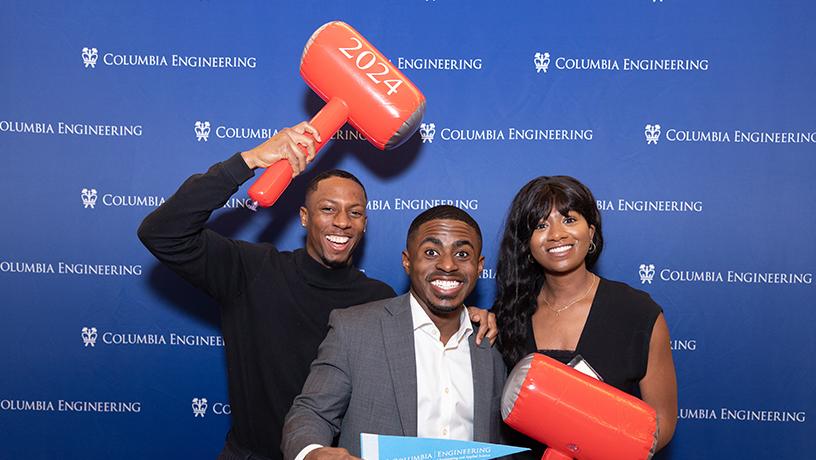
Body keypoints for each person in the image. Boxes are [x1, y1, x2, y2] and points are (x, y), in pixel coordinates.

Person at [137, 123, 496, 460]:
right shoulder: (251, 269)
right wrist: (249, 160)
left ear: (364, 224)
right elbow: (162, 232)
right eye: (328, 209)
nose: (342, 222)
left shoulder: (379, 298)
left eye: (354, 213)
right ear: (305, 217)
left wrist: (463, 316)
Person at [282, 205, 507, 460]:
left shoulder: (495, 340)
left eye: (462, 254)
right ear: (407, 261)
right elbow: (311, 413)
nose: (447, 265)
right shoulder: (354, 329)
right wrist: (313, 453)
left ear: (479, 267)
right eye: (431, 252)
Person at [492, 176, 677, 456]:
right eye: (541, 225)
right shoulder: (506, 316)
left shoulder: (638, 313)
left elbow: (661, 424)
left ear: (591, 232)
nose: (556, 234)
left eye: (569, 220)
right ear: (526, 245)